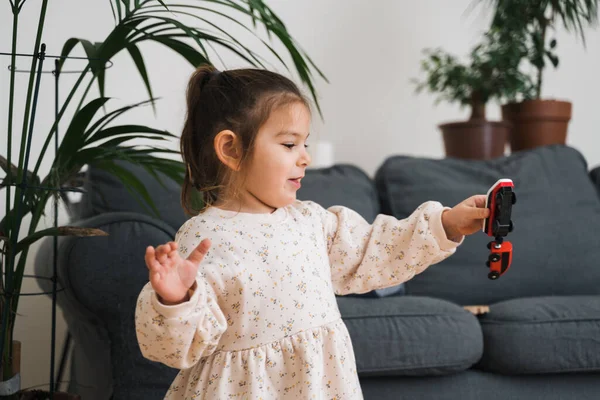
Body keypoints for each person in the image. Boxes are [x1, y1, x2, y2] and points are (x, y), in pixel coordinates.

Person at [135, 65, 490, 399]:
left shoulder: (309, 221)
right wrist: (175, 301)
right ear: (231, 148)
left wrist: (446, 224)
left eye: (305, 144)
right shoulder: (203, 239)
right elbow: (177, 347)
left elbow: (375, 250)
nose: (305, 157)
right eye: (290, 145)